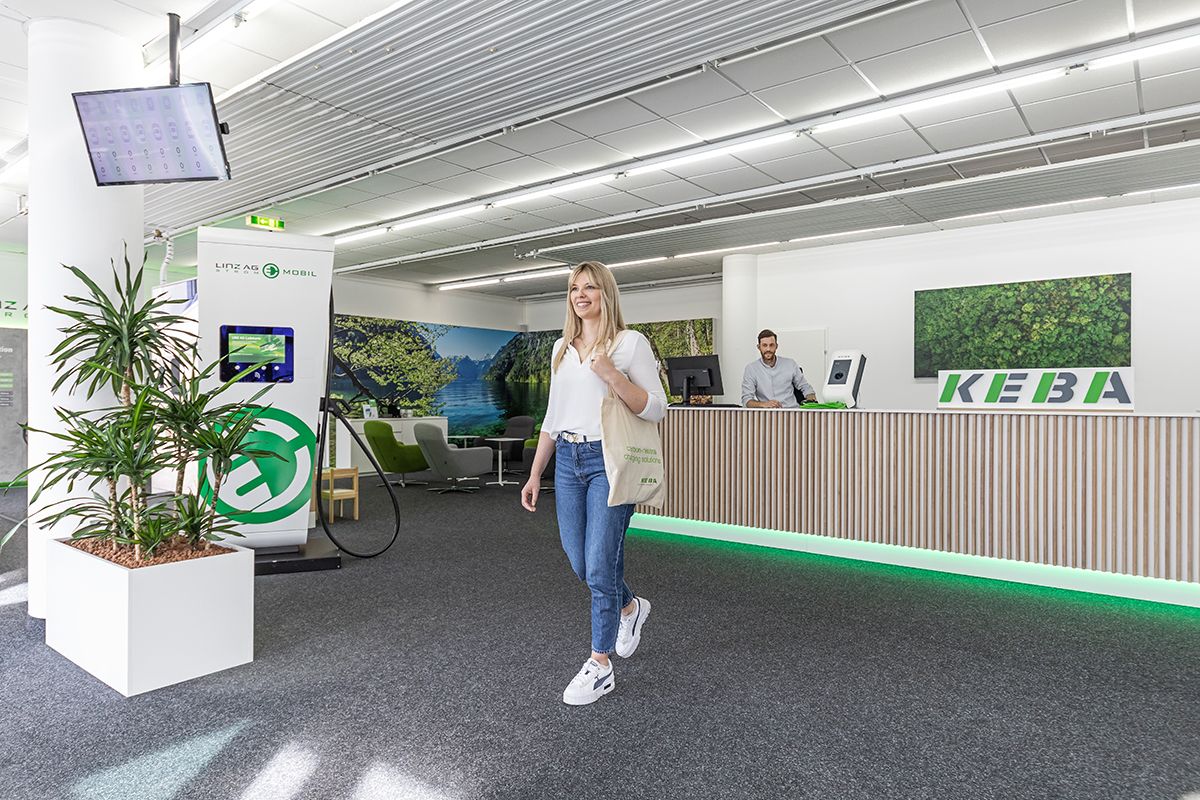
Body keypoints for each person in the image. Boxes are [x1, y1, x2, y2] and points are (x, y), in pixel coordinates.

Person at [521, 260, 668, 706]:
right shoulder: (560, 350)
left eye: (589, 287)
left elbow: (657, 408)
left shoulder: (629, 344)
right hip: (567, 459)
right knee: (580, 562)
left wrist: (613, 376)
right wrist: (534, 472)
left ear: (606, 293)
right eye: (573, 289)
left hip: (609, 461)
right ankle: (629, 607)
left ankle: (600, 664)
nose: (580, 295)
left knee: (600, 563)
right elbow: (553, 416)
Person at [741, 329, 816, 408]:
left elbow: (805, 387)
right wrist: (763, 404)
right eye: (764, 345)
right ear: (758, 347)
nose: (768, 349)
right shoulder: (751, 369)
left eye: (771, 345)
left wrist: (811, 399)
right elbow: (746, 400)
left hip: (792, 412)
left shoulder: (790, 364)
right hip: (768, 414)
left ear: (776, 346)